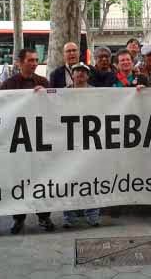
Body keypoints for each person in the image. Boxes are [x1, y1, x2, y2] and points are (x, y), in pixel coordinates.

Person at [0, 48, 55, 233]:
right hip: (18, 140)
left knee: (41, 177)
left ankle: (44, 216)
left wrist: (46, 94)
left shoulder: (43, 82)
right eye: (30, 60)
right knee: (20, 180)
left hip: (39, 140)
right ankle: (19, 218)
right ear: (20, 62)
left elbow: (55, 104)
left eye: (36, 60)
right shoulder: (9, 84)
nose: (34, 63)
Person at [63, 63, 101, 228]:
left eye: (83, 72)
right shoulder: (61, 93)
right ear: (72, 75)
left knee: (92, 178)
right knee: (68, 179)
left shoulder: (97, 93)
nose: (80, 74)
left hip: (90, 142)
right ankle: (69, 217)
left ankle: (92, 215)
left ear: (88, 76)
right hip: (69, 143)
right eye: (77, 71)